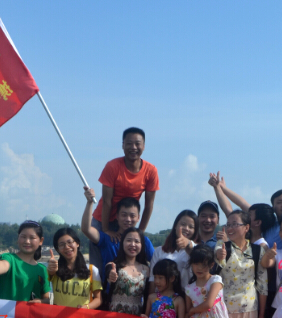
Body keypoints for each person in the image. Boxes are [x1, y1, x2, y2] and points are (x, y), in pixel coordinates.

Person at [89, 127, 159, 270]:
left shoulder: (151, 171)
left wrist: (141, 231)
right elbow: (107, 201)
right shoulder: (112, 166)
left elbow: (149, 205)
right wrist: (106, 229)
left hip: (127, 220)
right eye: (129, 143)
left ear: (144, 146)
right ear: (122, 145)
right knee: (97, 266)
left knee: (129, 262)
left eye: (137, 143)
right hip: (103, 219)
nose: (133, 147)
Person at [81, 186, 154, 301]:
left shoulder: (143, 242)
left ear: (138, 217)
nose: (128, 219)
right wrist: (89, 203)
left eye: (132, 216)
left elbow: (156, 263)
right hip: (110, 297)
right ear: (117, 216)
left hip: (136, 301)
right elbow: (86, 229)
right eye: (124, 215)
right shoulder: (107, 239)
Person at [214, 210, 268, 318]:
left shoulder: (257, 250)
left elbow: (262, 285)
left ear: (246, 228)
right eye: (228, 224)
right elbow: (217, 257)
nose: (230, 228)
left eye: (234, 224)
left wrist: (262, 315)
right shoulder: (222, 247)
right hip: (224, 309)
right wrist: (219, 256)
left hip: (250, 309)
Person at [148, 210, 199, 293]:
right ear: (175, 225)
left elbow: (197, 256)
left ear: (195, 231)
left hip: (187, 298)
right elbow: (152, 279)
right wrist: (151, 302)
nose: (186, 228)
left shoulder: (196, 250)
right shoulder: (159, 251)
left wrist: (188, 244)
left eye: (191, 227)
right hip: (162, 299)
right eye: (183, 224)